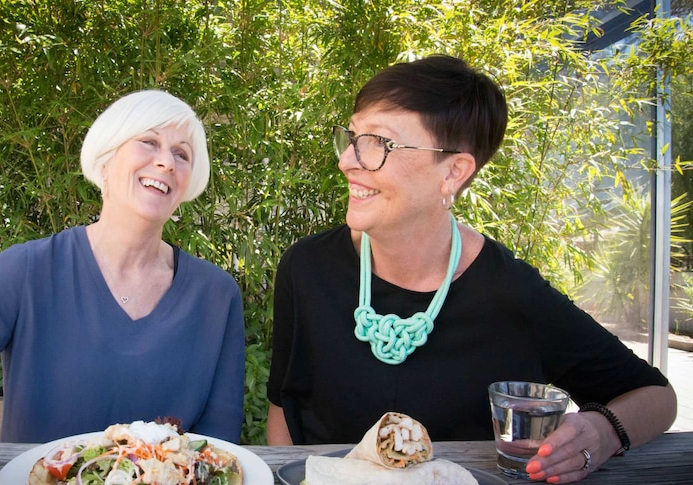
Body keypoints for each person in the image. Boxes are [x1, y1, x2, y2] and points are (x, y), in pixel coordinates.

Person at [266, 55, 676, 484]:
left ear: (453, 172)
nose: (348, 160)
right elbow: (284, 408)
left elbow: (656, 397)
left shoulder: (511, 292)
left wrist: (600, 431)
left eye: (378, 143)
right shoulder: (307, 268)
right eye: (352, 137)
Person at [0, 90, 246, 483]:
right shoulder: (27, 271)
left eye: (182, 154)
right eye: (149, 142)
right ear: (106, 160)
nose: (166, 162)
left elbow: (218, 453)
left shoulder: (216, 296)